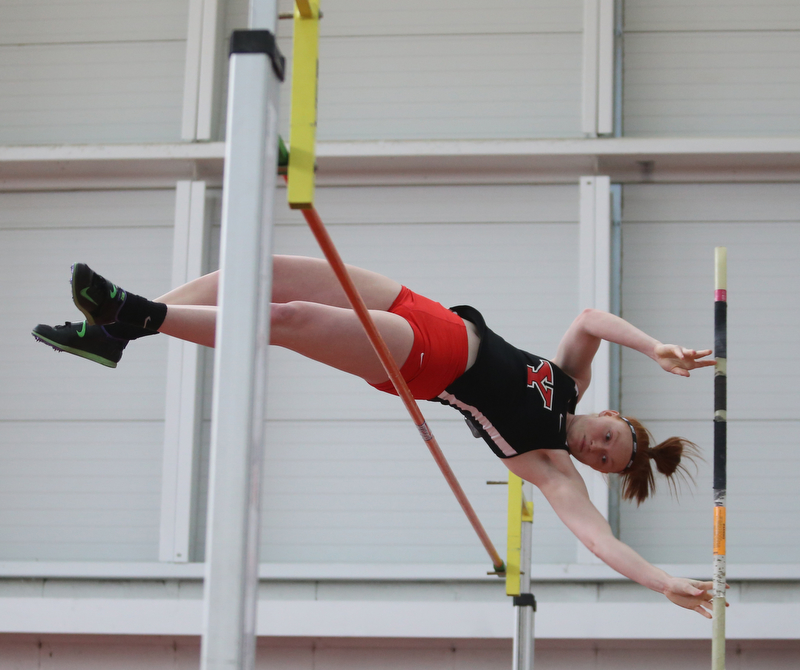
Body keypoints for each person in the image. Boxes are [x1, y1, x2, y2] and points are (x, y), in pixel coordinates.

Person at [33, 255, 719, 617]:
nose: (600, 447)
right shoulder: (569, 383)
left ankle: (137, 317)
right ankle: (114, 334)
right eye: (613, 437)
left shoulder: (546, 465)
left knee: (289, 317)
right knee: (260, 266)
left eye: (605, 458)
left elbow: (599, 541)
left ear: (590, 467)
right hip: (423, 306)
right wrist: (655, 344)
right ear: (614, 417)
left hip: (429, 360)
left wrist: (660, 582)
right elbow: (592, 318)